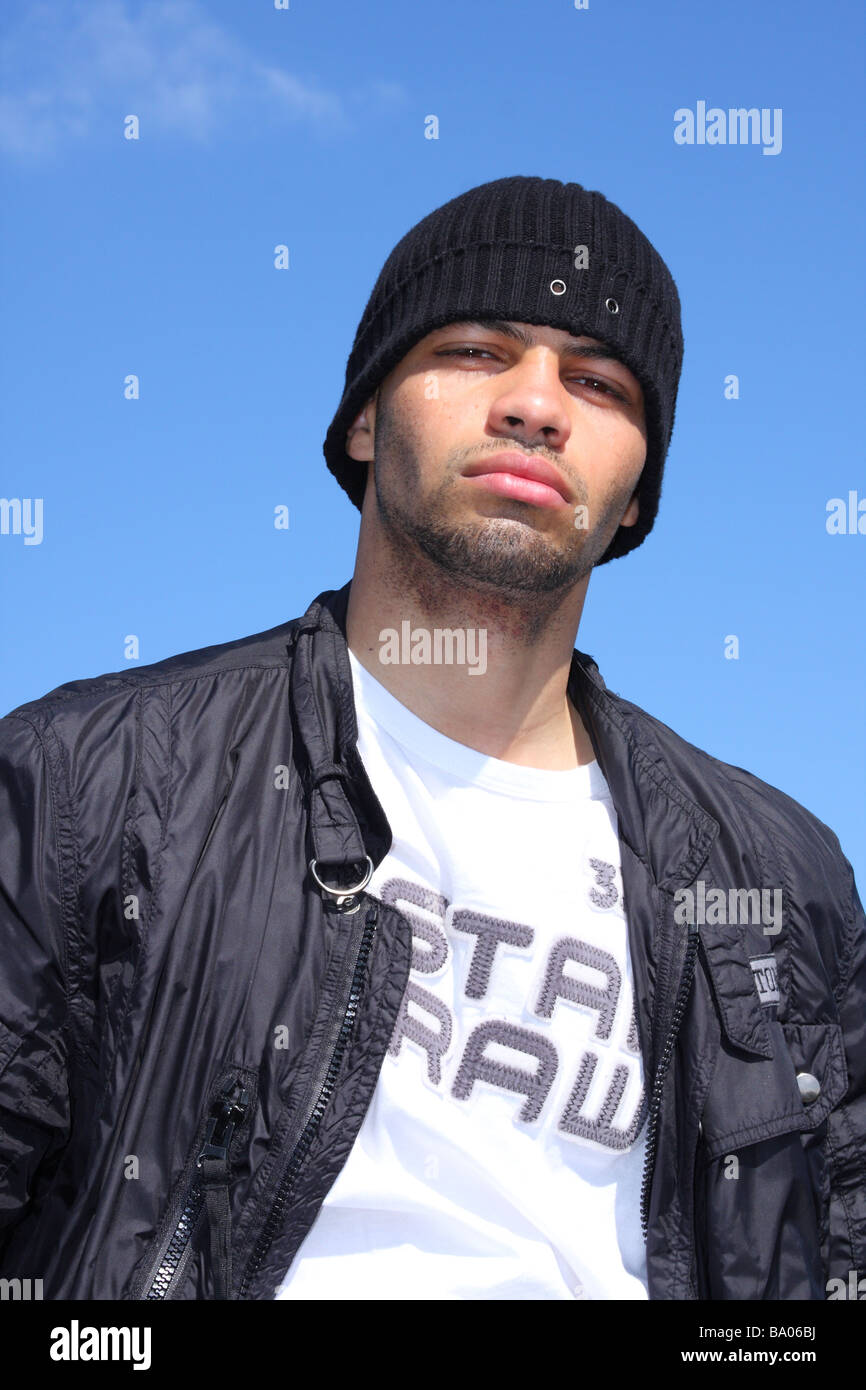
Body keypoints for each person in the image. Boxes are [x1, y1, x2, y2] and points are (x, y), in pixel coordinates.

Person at [0, 176, 863, 1302]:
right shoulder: (87, 781)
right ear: (362, 419)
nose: (536, 405)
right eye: (474, 349)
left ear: (638, 493)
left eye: (596, 381)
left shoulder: (776, 875)